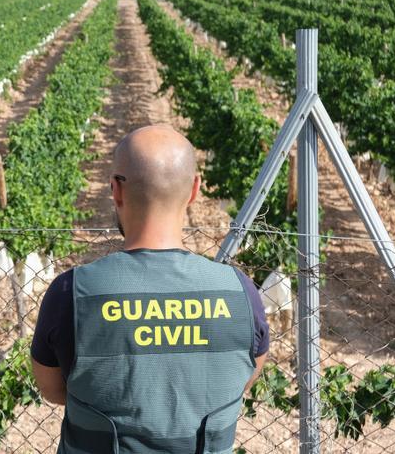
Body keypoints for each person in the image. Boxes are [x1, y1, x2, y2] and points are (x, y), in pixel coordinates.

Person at [31, 126, 269, 454]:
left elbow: (52, 389)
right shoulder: (241, 293)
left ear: (115, 190)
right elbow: (244, 377)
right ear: (194, 190)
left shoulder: (71, 293)